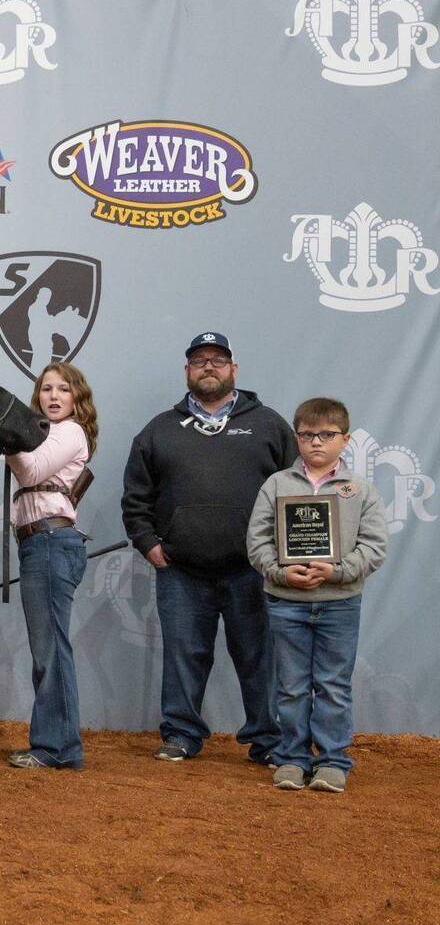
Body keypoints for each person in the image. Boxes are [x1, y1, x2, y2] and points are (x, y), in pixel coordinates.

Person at [121, 332, 297, 764]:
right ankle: (181, 734)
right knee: (184, 656)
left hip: (252, 569)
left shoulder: (269, 424)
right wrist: (148, 544)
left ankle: (268, 740)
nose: (209, 367)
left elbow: (298, 492)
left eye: (218, 359)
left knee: (259, 657)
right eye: (199, 360)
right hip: (181, 570)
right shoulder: (159, 430)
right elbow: (136, 497)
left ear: (234, 369)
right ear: (187, 372)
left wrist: (281, 556)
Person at [246, 398, 387, 793]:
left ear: (345, 439)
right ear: (297, 438)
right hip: (286, 601)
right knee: (290, 686)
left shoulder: (360, 490)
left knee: (333, 684)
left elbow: (373, 546)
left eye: (327, 435)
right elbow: (257, 541)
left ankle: (331, 760)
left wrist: (338, 572)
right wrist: (281, 572)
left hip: (340, 602)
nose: (316, 443)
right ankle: (292, 758)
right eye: (307, 435)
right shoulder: (276, 485)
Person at [4, 362, 97, 770]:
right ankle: (55, 742)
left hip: (50, 540)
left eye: (63, 389)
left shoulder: (70, 431)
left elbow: (32, 469)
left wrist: (6, 440)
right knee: (47, 647)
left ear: (77, 398)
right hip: (38, 541)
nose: (54, 396)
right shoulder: (42, 433)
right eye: (46, 389)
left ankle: (57, 747)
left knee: (51, 648)